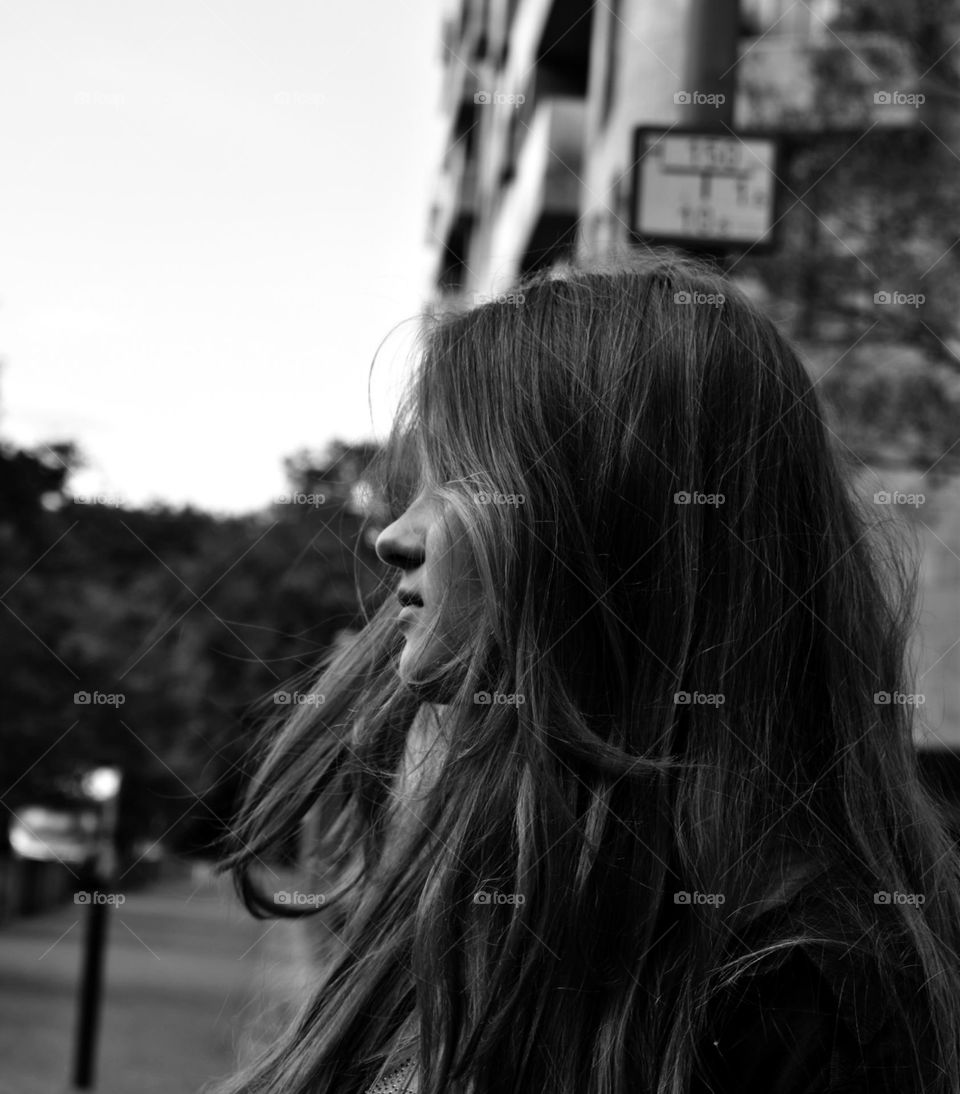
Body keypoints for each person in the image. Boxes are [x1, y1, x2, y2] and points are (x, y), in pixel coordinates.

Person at [203, 253, 960, 1094]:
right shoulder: (487, 894)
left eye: (463, 479)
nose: (394, 538)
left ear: (621, 532)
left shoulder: (805, 1004)